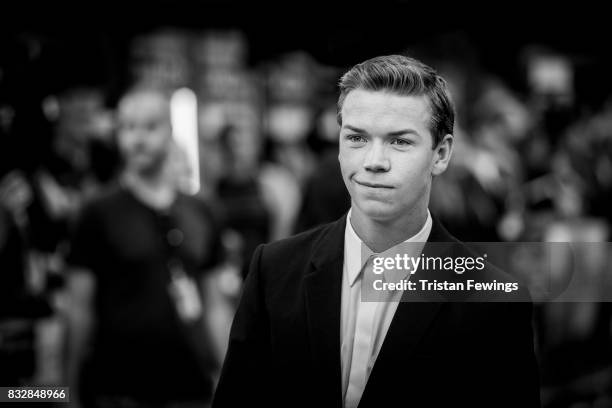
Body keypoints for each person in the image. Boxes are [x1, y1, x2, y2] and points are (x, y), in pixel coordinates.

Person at [213, 55, 540, 408]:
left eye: (399, 141)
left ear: (441, 154)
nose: (374, 161)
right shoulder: (274, 271)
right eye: (356, 138)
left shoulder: (494, 302)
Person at [66, 88, 227, 408]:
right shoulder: (97, 212)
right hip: (118, 389)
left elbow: (215, 306)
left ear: (169, 131)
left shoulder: (200, 211)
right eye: (128, 127)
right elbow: (78, 309)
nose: (138, 139)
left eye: (149, 127)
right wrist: (67, 389)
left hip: (191, 386)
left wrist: (230, 376)